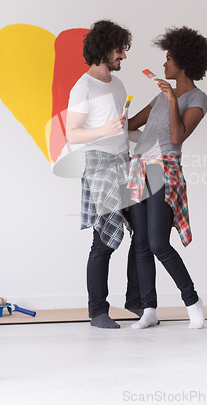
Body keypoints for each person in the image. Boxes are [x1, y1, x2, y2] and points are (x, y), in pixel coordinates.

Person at [126, 26, 207, 329]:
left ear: (183, 62)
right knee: (141, 243)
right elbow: (132, 123)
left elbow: (177, 137)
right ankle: (148, 308)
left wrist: (173, 99)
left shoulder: (197, 98)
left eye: (169, 59)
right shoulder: (159, 96)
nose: (164, 64)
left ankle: (192, 300)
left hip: (165, 171)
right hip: (139, 169)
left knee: (159, 243)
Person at [66, 19, 140, 329]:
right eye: (118, 49)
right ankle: (98, 311)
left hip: (125, 162)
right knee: (105, 241)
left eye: (123, 50)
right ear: (103, 48)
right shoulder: (83, 87)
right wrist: (103, 130)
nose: (123, 55)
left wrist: (140, 135)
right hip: (100, 165)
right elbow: (72, 134)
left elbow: (120, 128)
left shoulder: (117, 83)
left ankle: (137, 302)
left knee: (144, 234)